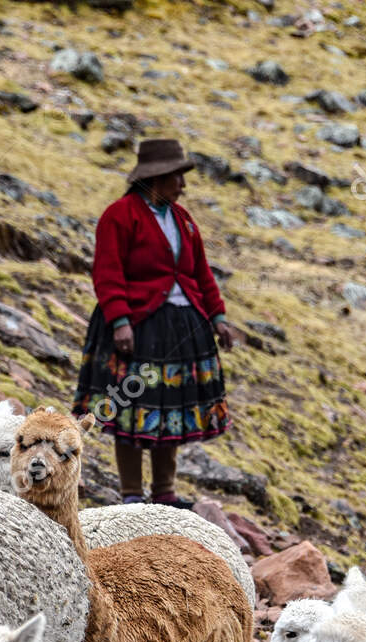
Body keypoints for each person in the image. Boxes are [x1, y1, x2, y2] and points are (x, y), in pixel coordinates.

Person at [72, 138, 241, 507]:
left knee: (172, 413)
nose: (183, 185)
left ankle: (165, 493)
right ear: (158, 177)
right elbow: (107, 273)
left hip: (181, 327)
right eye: (177, 177)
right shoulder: (120, 215)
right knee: (130, 409)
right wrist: (120, 321)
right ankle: (132, 494)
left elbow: (200, 273)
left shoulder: (183, 220)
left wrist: (218, 317)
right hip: (137, 325)